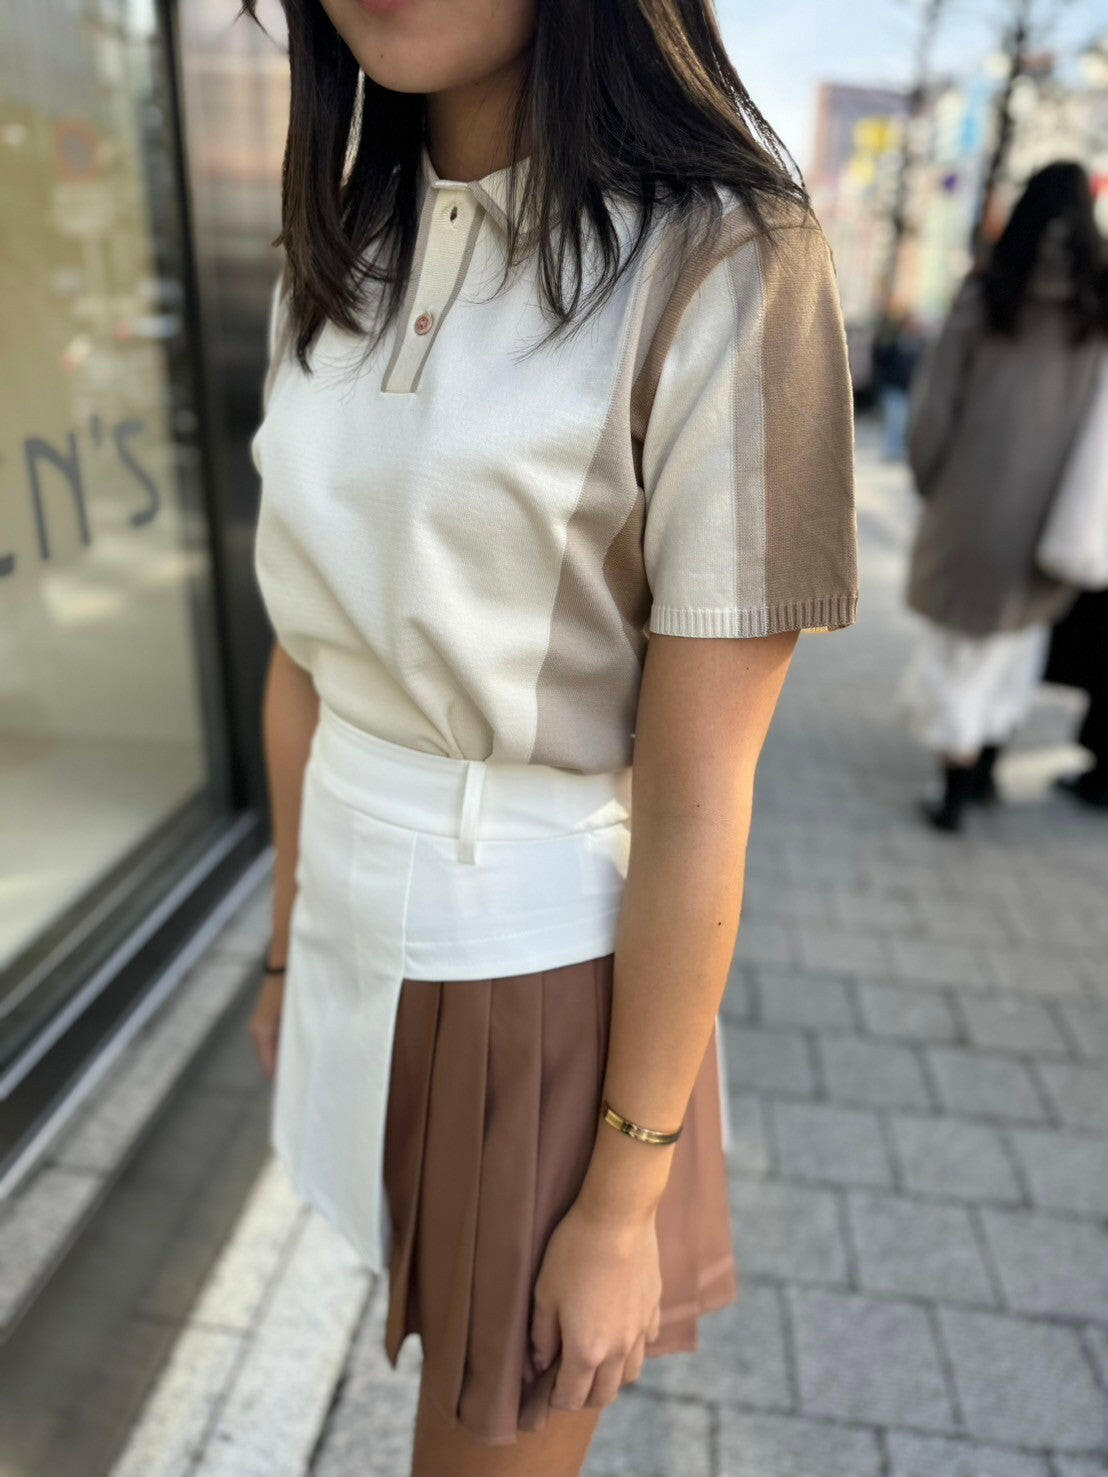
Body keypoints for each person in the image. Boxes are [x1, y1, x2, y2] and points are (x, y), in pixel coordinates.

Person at [244, 0, 859, 1471]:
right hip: (345, 934)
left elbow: (700, 795)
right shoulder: (338, 241)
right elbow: (303, 657)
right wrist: (283, 943)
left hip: (537, 977)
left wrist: (623, 1200)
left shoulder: (727, 258)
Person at [899, 161, 1105, 833]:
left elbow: (935, 407)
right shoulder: (1098, 303)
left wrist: (928, 477)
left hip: (971, 501)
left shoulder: (989, 289)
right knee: (1015, 648)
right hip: (1052, 515)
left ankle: (954, 784)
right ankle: (983, 767)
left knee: (956, 649)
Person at [872, 303, 924, 461]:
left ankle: (897, 450)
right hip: (894, 387)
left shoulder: (918, 344)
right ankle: (892, 451)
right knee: (895, 420)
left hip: (908, 388)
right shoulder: (894, 341)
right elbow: (881, 358)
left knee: (903, 421)